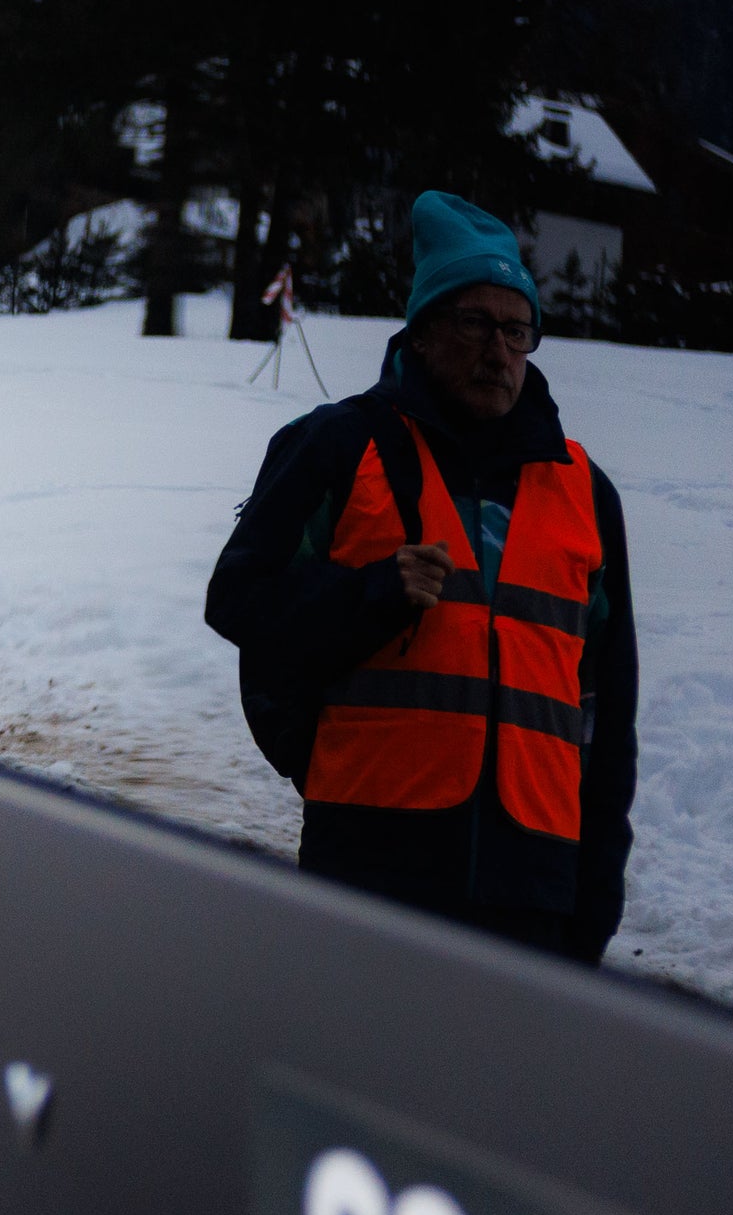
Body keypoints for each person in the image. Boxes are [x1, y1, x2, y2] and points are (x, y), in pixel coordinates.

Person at [207, 190, 637, 964]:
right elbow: (239, 600)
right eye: (475, 322)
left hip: (534, 893)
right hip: (370, 874)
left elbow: (607, 719)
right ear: (426, 327)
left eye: (517, 329)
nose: (498, 350)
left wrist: (593, 898)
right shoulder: (338, 446)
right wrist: (369, 595)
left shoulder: (586, 491)